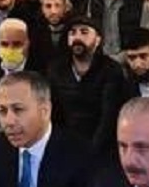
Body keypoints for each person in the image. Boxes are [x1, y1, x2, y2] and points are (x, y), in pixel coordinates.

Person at [48, 17, 122, 152]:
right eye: (72, 33)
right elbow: (54, 113)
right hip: (64, 145)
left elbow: (108, 118)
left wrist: (91, 151)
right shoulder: (56, 70)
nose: (77, 37)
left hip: (101, 149)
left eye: (84, 32)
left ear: (98, 39)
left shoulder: (111, 69)